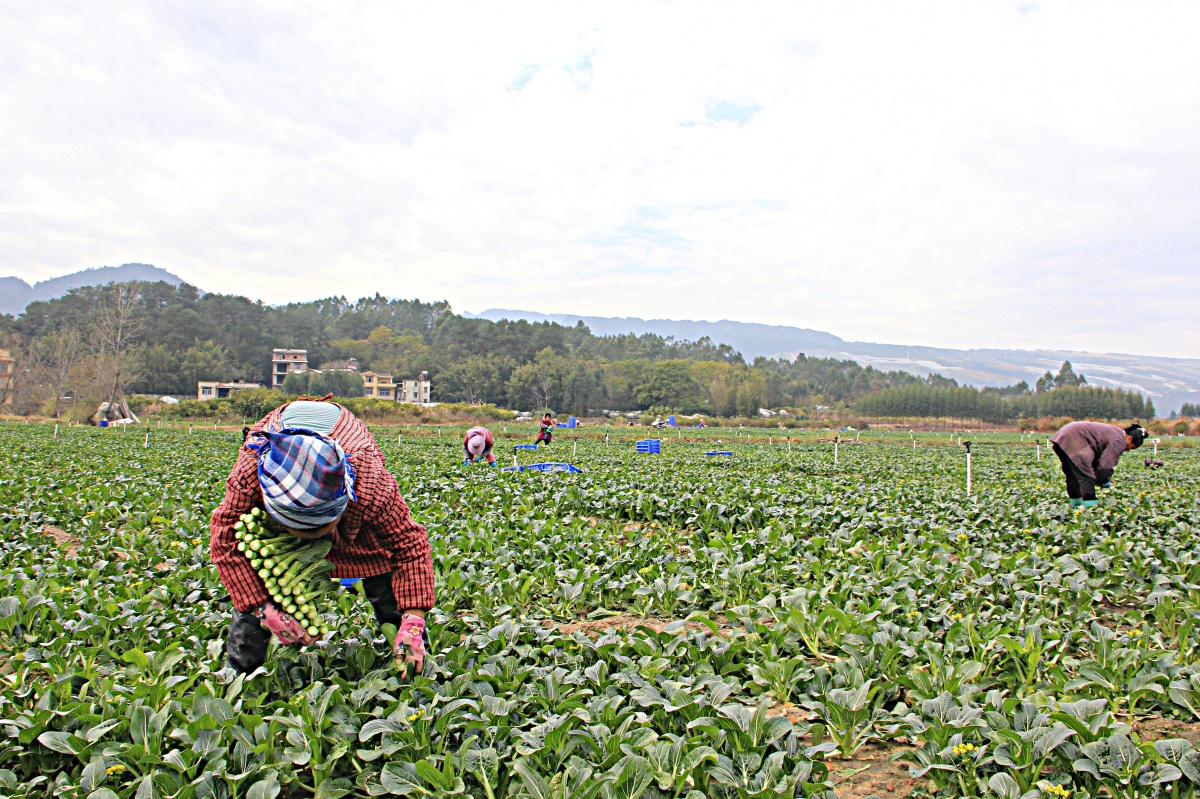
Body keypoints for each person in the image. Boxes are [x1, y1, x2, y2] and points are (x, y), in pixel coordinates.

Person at [210, 397, 434, 680]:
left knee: (385, 574)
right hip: (279, 522)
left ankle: (414, 663)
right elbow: (225, 534)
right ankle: (240, 674)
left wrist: (413, 621)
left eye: (323, 529)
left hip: (356, 519)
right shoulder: (254, 463)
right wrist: (260, 607)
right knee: (258, 573)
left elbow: (409, 543)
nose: (317, 543)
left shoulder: (367, 478)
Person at [1049, 421, 1147, 508]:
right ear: (1129, 439)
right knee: (1086, 477)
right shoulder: (1119, 440)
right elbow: (1105, 466)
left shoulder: (1115, 432)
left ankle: (1075, 507)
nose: (1128, 450)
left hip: (1062, 436)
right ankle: (1091, 510)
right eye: (1131, 447)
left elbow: (1098, 459)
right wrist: (1103, 480)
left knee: (1073, 476)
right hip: (1075, 439)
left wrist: (1105, 478)